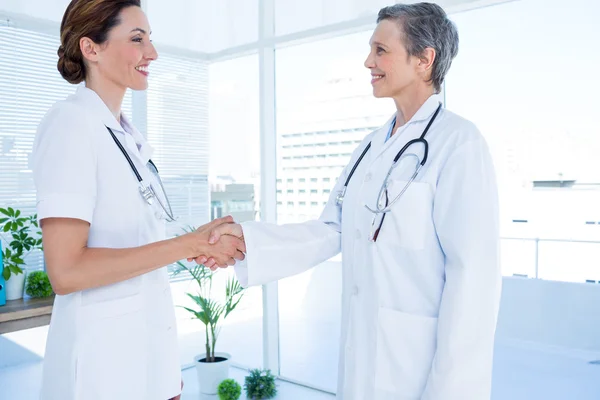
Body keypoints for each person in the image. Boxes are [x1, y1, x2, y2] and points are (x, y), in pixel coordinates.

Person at [199, 3, 502, 399]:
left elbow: (473, 281)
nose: (367, 61)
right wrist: (246, 241)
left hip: (417, 367)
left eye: (381, 50)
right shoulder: (372, 146)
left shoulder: (459, 144)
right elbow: (333, 229)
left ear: (424, 60)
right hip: (364, 357)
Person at [32, 1, 245, 399]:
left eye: (150, 39)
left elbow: (136, 248)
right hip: (101, 371)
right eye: (137, 39)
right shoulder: (70, 126)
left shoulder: (125, 136)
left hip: (145, 362)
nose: (152, 53)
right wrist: (186, 245)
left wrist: (163, 364)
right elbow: (66, 271)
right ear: (90, 48)